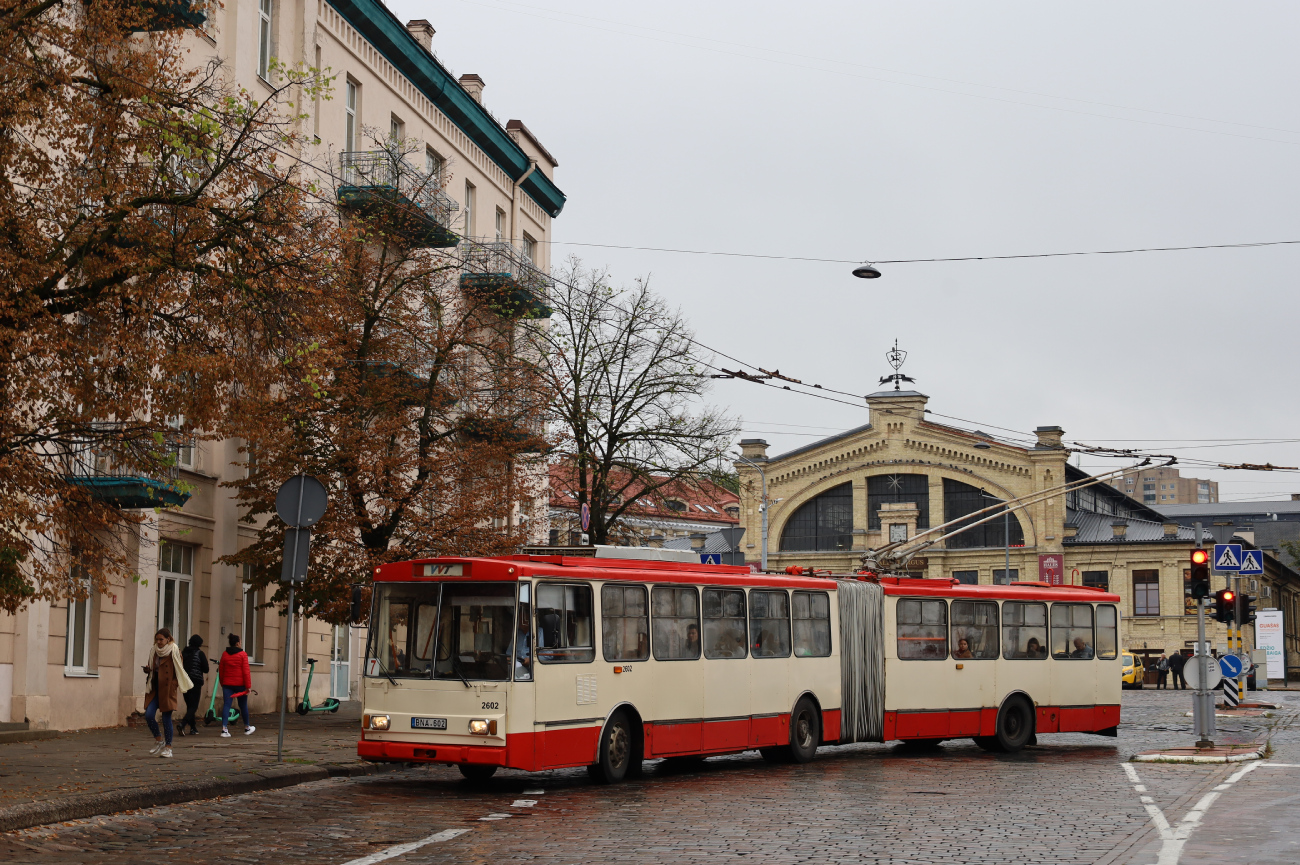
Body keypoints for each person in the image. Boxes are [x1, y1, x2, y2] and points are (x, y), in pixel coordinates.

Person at [141, 628, 193, 759]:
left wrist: (174, 684)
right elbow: (153, 668)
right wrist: (148, 670)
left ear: (168, 639)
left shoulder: (174, 650)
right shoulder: (154, 651)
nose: (158, 642)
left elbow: (179, 670)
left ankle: (168, 747)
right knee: (148, 715)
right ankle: (159, 740)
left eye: (161, 639)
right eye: (157, 639)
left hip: (167, 688)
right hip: (154, 688)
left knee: (166, 718)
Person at [218, 633, 255, 738]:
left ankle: (224, 729)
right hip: (240, 685)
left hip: (227, 684)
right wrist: (248, 687)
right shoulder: (243, 655)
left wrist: (222, 683)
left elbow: (221, 670)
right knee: (243, 705)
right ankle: (247, 727)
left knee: (226, 705)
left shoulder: (225, 654)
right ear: (238, 643)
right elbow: (246, 672)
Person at [178, 634, 209, 736]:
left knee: (189, 705)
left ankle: (193, 728)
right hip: (195, 681)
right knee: (194, 706)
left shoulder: (184, 653)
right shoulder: (200, 654)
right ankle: (182, 724)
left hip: (184, 681)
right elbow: (206, 669)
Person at [514, 609, 532, 680]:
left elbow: (548, 655)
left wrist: (531, 660)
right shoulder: (517, 634)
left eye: (520, 617)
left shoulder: (539, 633)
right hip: (517, 669)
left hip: (534, 670)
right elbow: (509, 653)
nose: (517, 619)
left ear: (527, 619)